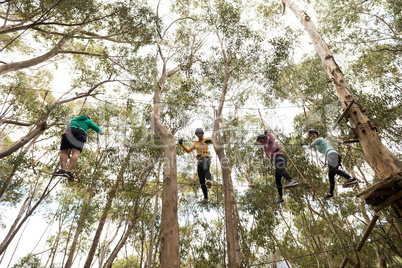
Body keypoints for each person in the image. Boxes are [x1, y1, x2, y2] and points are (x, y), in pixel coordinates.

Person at [301, 129, 357, 200]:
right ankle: (331, 193)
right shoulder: (318, 144)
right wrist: (316, 147)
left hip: (332, 155)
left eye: (313, 134)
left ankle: (350, 178)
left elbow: (309, 147)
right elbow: (318, 147)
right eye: (311, 135)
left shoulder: (319, 139)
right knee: (331, 175)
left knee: (332, 170)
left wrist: (303, 146)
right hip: (333, 156)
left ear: (317, 135)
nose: (312, 136)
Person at [52, 114, 103, 181]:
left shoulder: (74, 119)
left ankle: (62, 170)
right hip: (80, 133)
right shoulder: (88, 121)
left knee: (64, 152)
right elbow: (97, 128)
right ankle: (68, 172)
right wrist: (102, 133)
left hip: (68, 132)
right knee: (76, 152)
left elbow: (68, 126)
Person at [257, 131, 298, 204]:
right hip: (276, 160)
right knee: (278, 180)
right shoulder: (266, 148)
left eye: (261, 140)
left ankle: (292, 180)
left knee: (280, 171)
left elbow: (272, 137)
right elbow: (269, 157)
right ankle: (280, 198)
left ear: (265, 138)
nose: (261, 142)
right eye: (259, 142)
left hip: (279, 157)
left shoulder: (270, 141)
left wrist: (267, 133)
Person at [179, 128, 212, 205]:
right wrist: (181, 144)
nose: (199, 135)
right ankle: (205, 198)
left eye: (200, 133)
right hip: (199, 161)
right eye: (198, 134)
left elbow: (215, 143)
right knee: (201, 180)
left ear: (202, 134)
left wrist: (210, 141)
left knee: (206, 169)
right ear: (197, 135)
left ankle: (209, 180)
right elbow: (188, 151)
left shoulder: (206, 139)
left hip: (206, 158)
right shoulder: (195, 144)